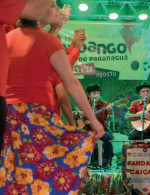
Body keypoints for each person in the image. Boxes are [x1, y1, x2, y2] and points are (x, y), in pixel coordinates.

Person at [1, 1, 104, 194]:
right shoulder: (49, 42)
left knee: (12, 175)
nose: (57, 8)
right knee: (43, 176)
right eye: (51, 5)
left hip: (7, 116)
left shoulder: (7, 38)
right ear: (36, 12)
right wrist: (94, 120)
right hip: (36, 118)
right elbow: (71, 83)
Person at [0, 0, 53, 150]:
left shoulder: (11, 35)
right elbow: (35, 11)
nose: (56, 9)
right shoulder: (46, 40)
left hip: (12, 103)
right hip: (29, 108)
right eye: (52, 5)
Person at [77, 84, 113, 167]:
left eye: (97, 93)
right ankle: (82, 162)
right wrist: (87, 114)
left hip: (100, 131)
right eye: (94, 93)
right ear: (89, 95)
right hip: (87, 129)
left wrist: (110, 112)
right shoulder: (84, 104)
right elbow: (77, 113)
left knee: (108, 137)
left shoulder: (104, 105)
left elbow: (108, 120)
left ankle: (105, 161)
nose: (96, 95)